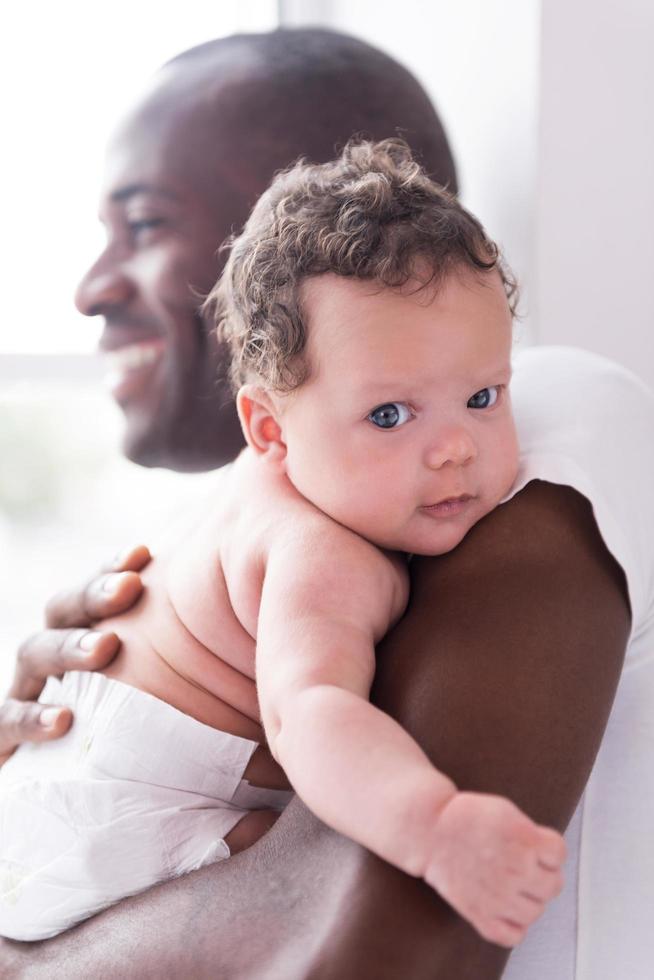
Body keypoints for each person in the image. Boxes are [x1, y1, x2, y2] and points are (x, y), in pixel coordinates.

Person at [0, 28, 645, 980]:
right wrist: (436, 824)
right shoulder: (307, 541)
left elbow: (350, 941)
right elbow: (311, 714)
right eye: (389, 412)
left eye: (144, 223)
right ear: (270, 420)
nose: (461, 443)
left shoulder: (558, 416)